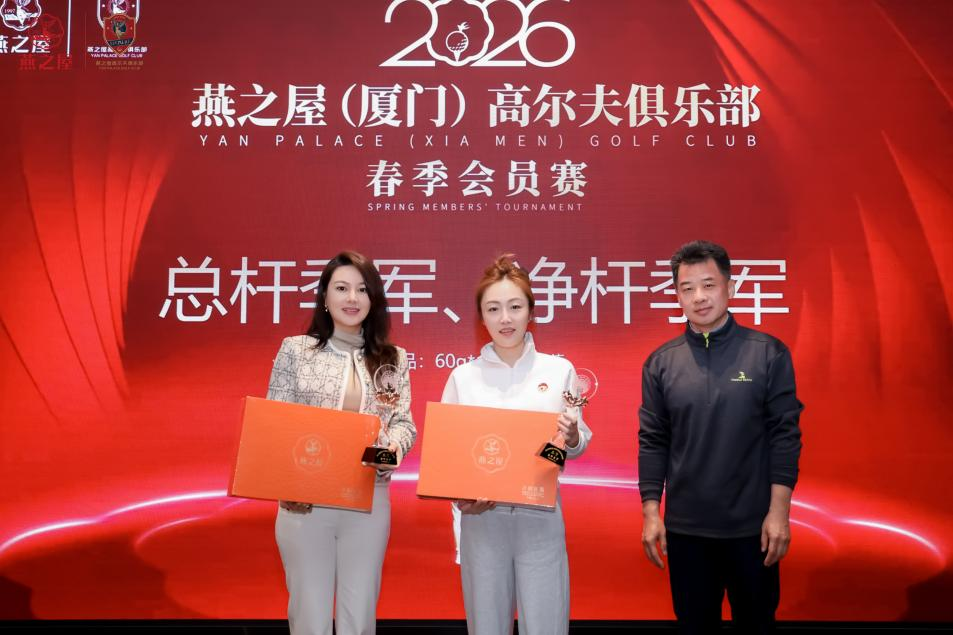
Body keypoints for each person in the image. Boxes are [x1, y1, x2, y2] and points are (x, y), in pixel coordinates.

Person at [638, 240, 803, 634]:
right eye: (687, 288)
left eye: (709, 285)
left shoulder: (768, 353)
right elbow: (653, 440)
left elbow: (785, 436)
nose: (699, 297)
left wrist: (779, 514)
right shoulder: (661, 363)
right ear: (677, 295)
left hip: (753, 530)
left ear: (730, 287)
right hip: (686, 532)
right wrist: (651, 513)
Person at [265, 250, 416, 635]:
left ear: (374, 299)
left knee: (359, 615)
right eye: (342, 288)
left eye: (362, 290)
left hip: (368, 500)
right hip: (305, 502)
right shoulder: (296, 351)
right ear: (325, 296)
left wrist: (392, 451)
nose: (352, 298)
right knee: (310, 616)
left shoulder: (392, 359)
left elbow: (403, 423)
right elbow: (275, 423)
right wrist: (286, 484)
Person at [441, 254, 593, 635]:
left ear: (531, 312)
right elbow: (448, 455)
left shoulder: (558, 371)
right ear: (481, 317)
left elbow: (576, 443)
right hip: (483, 522)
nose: (505, 319)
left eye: (515, 307)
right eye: (493, 309)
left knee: (546, 626)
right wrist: (462, 498)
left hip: (540, 518)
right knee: (486, 626)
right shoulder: (463, 377)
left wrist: (573, 436)